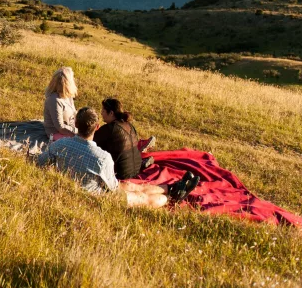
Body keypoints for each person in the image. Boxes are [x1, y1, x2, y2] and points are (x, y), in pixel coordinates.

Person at [37, 107, 199, 208]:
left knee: (129, 185)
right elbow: (113, 189)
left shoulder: (60, 145)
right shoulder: (102, 158)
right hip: (96, 197)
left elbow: (40, 163)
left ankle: (172, 187)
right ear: (97, 127)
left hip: (79, 187)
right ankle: (172, 196)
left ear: (76, 125)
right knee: (142, 198)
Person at [94, 98, 157, 180]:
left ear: (111, 113)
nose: (101, 113)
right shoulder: (130, 126)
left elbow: (91, 144)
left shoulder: (109, 129)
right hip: (137, 168)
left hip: (121, 174)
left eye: (103, 110)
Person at [43, 67, 78, 142]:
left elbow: (74, 113)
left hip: (70, 128)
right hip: (57, 133)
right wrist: (77, 131)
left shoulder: (68, 95)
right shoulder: (54, 100)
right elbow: (60, 127)